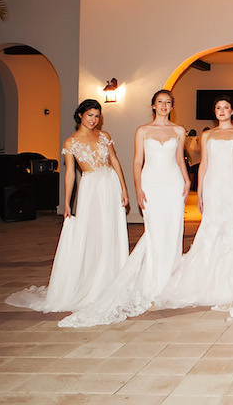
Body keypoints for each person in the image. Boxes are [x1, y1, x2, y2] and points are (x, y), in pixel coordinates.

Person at [59, 90, 189, 327]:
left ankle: (171, 279)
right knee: (154, 231)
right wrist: (137, 187)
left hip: (173, 183)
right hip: (149, 182)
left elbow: (180, 159)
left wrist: (187, 180)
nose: (164, 105)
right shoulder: (142, 130)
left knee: (173, 230)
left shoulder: (179, 131)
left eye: (168, 102)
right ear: (153, 105)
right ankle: (150, 278)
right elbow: (137, 161)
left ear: (172, 106)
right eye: (160, 102)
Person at [6, 100, 129, 312]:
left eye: (97, 116)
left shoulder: (104, 136)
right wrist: (66, 202)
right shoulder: (71, 142)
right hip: (91, 187)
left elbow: (115, 161)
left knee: (112, 230)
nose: (93, 120)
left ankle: (115, 277)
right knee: (92, 232)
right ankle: (92, 279)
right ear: (80, 115)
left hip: (110, 184)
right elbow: (70, 173)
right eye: (90, 115)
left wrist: (124, 189)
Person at [157, 95, 233, 310]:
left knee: (232, 225)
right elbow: (204, 164)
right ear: (215, 111)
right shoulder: (207, 135)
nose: (222, 110)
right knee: (210, 225)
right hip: (213, 185)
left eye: (226, 107)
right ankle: (205, 277)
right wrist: (200, 193)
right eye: (218, 107)